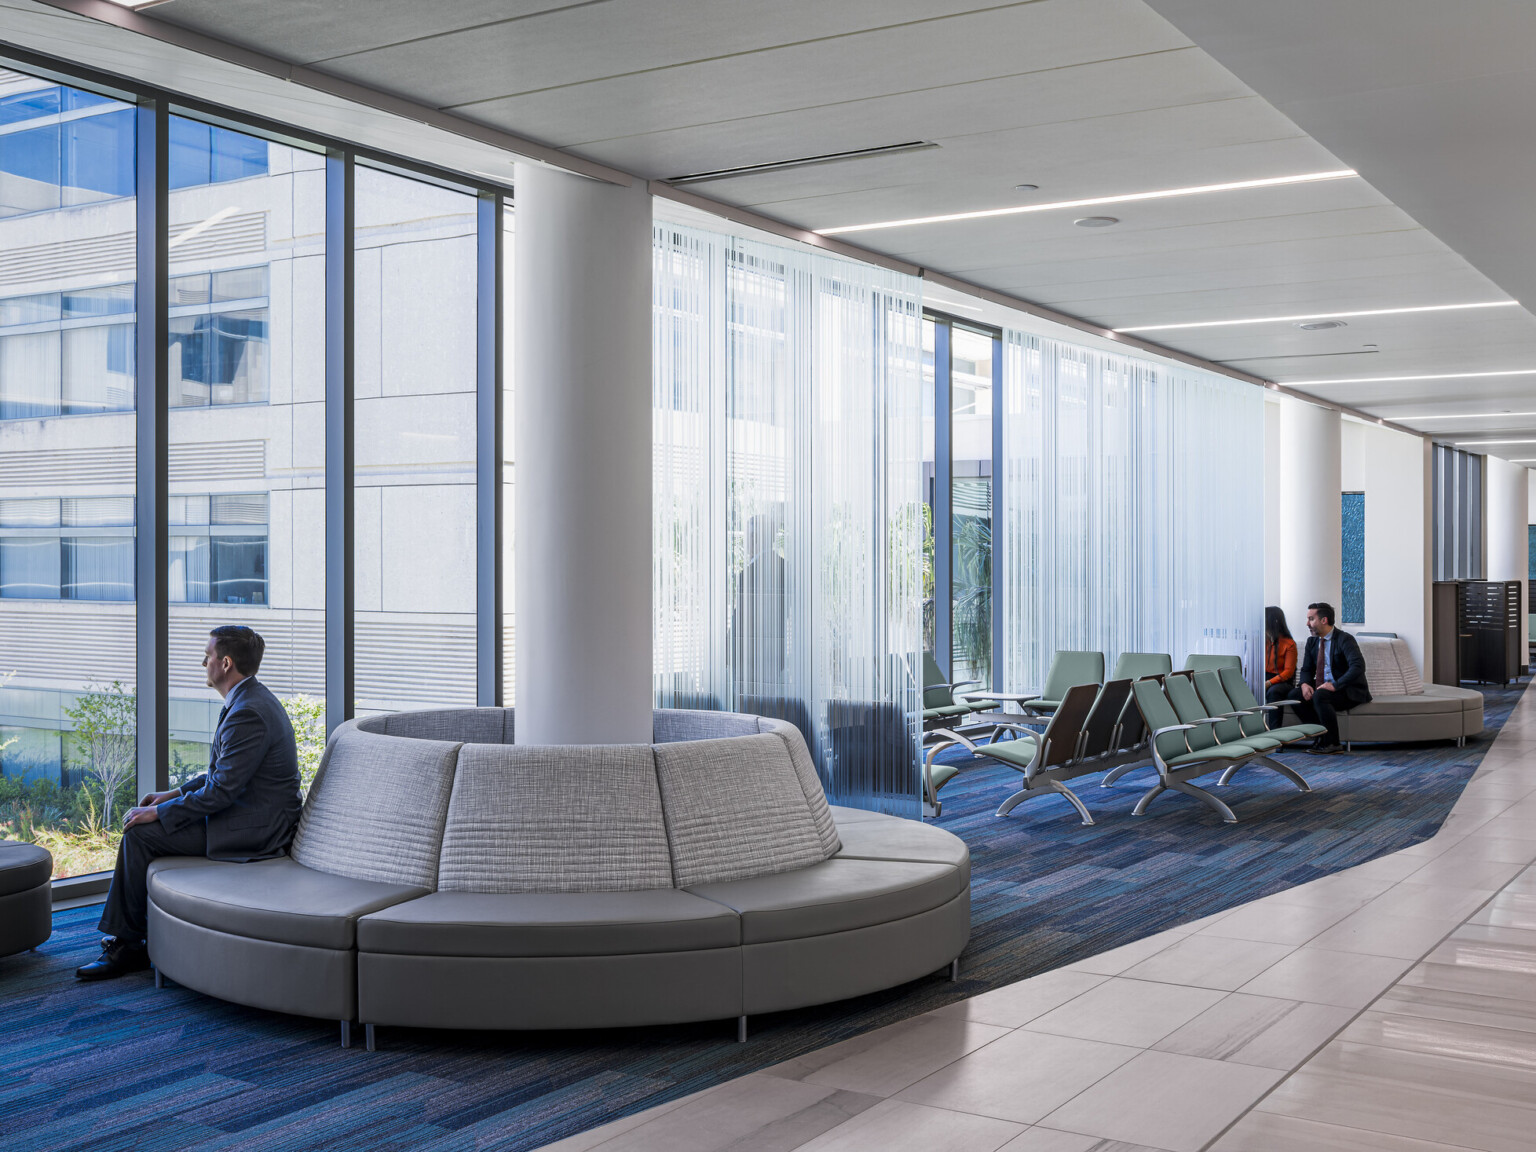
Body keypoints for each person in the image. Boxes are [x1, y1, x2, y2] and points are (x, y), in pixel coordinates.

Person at [76, 626, 302, 981]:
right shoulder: (249, 700)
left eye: (208, 656)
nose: (203, 662)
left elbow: (221, 792)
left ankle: (129, 946)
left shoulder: (248, 712)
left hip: (256, 830)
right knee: (145, 827)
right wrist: (173, 794)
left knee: (140, 835)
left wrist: (158, 813)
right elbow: (221, 776)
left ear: (225, 663)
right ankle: (132, 936)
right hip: (246, 814)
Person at [1284, 602, 1372, 755]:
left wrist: (1336, 685)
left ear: (1324, 620)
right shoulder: (1312, 642)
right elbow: (1306, 669)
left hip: (1346, 690)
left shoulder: (1344, 639)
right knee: (1294, 695)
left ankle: (1333, 743)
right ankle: (1320, 736)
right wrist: (1304, 684)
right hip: (1323, 688)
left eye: (1311, 619)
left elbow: (1358, 667)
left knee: (1320, 695)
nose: (1307, 623)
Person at [1264, 606, 1298, 727]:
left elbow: (1288, 672)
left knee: (1274, 692)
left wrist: (1269, 682)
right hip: (1264, 677)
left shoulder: (1289, 644)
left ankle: (1276, 736)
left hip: (1281, 681)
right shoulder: (1262, 641)